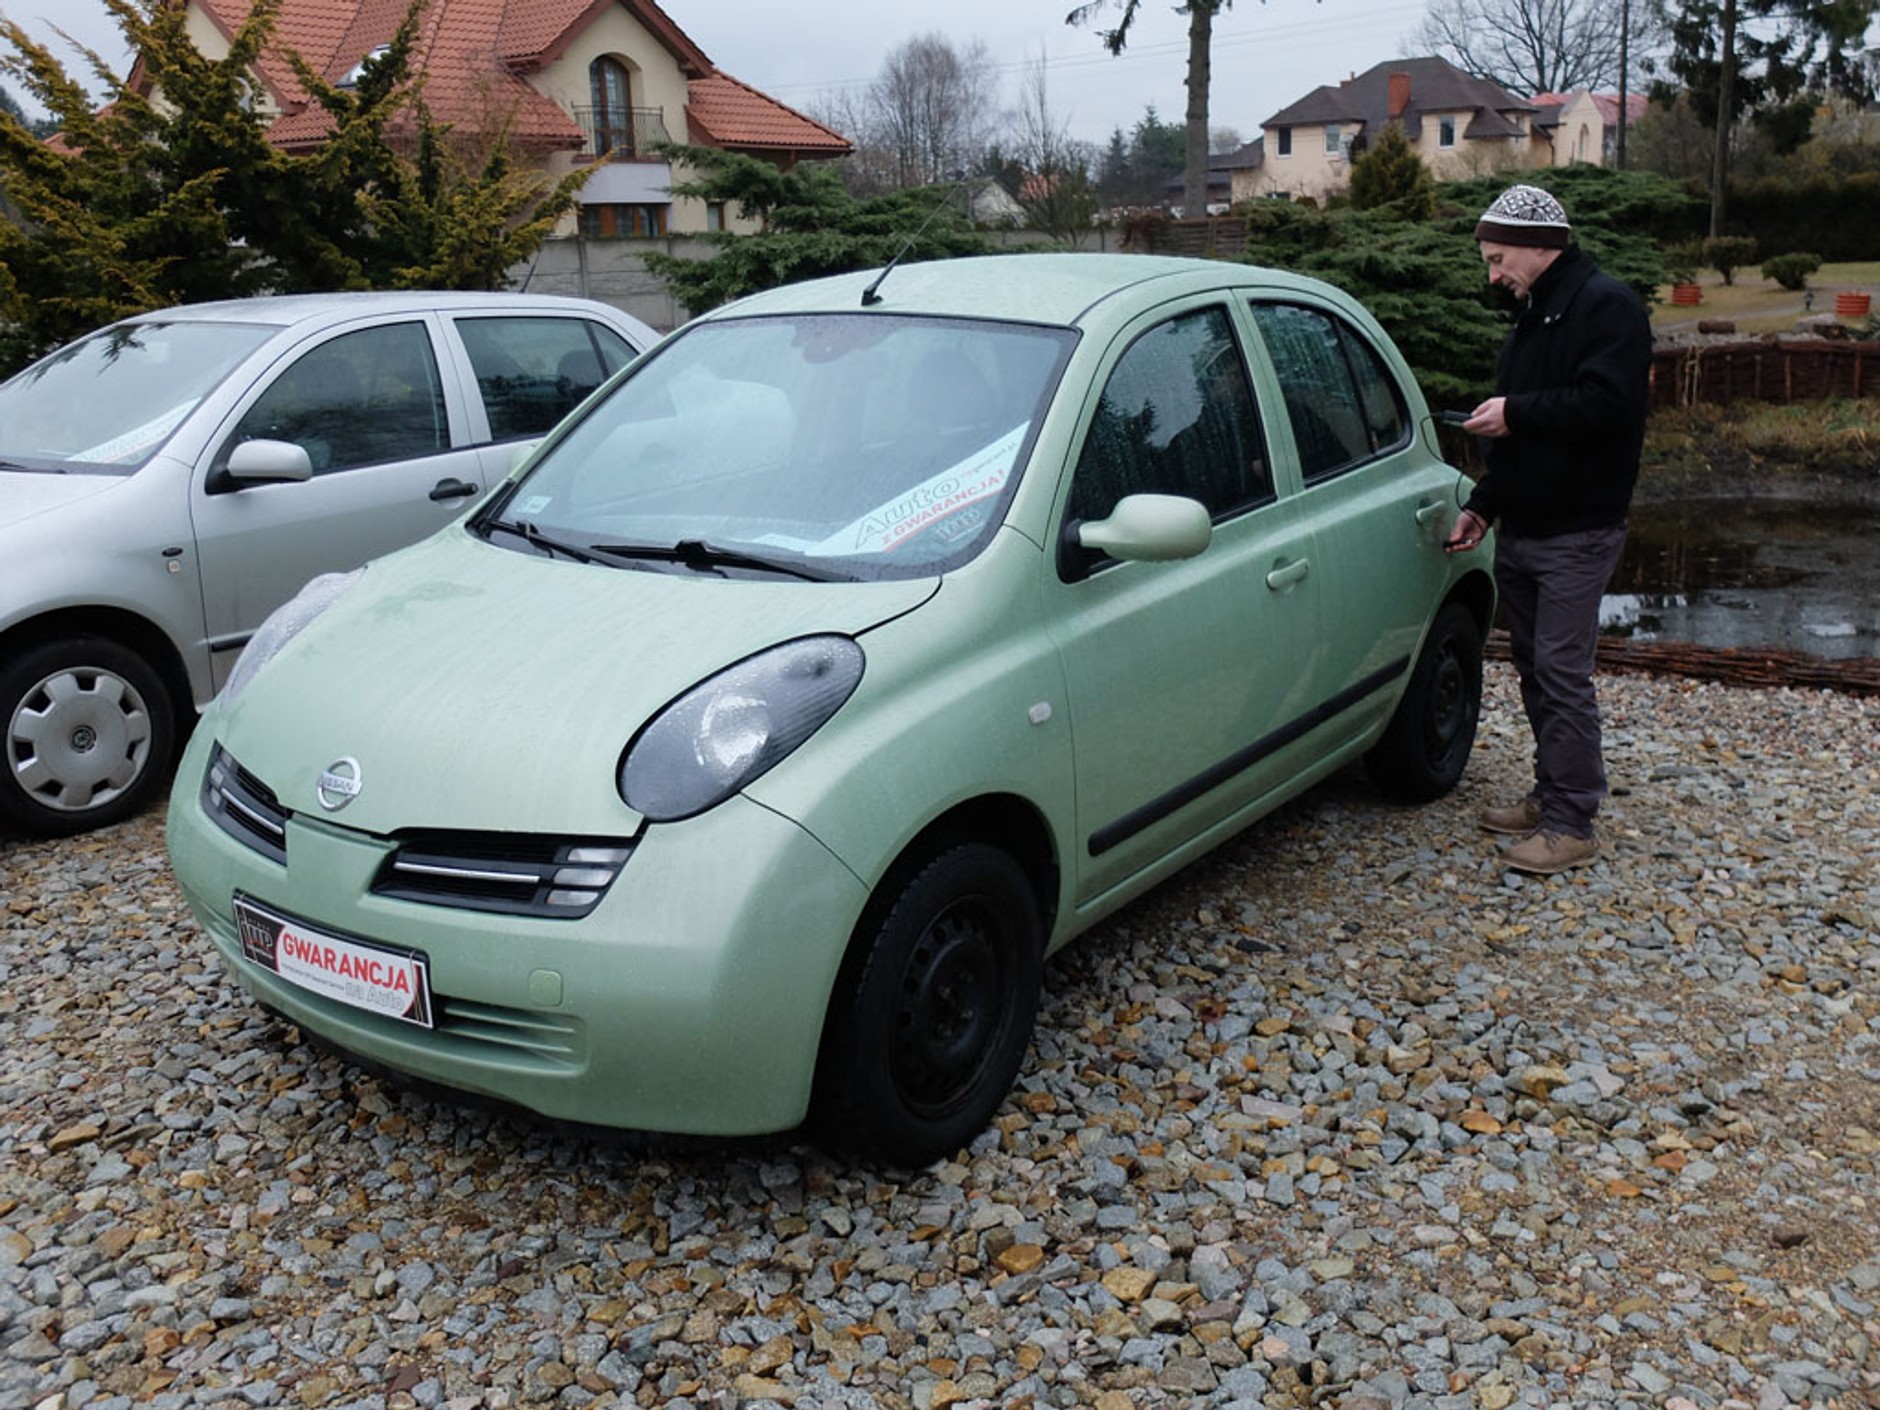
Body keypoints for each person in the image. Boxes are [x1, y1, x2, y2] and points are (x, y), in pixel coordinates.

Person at [1443, 184, 1653, 875]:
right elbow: (1521, 433)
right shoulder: (1535, 313)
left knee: (1562, 673)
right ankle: (1550, 792)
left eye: (1499, 258)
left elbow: (1610, 406)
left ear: (1540, 247)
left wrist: (1518, 413)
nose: (1493, 274)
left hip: (1578, 529)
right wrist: (1483, 505)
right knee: (1535, 668)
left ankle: (1572, 822)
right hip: (1527, 525)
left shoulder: (1606, 305)